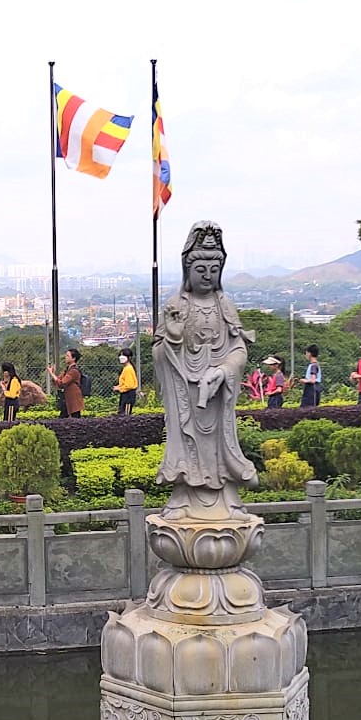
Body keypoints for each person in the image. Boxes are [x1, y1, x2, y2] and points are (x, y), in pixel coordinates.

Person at [154, 219, 259, 518]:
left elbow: (239, 348)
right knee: (186, 441)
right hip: (186, 394)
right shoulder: (178, 305)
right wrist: (173, 337)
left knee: (218, 444)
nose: (207, 276)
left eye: (214, 270)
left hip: (217, 394)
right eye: (201, 270)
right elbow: (159, 354)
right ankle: (184, 499)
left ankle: (227, 498)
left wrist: (224, 370)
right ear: (188, 270)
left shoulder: (225, 305)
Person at [47, 348, 84, 418]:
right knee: (65, 417)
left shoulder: (74, 371)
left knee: (74, 417)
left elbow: (62, 383)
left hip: (73, 398)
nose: (65, 357)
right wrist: (53, 373)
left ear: (74, 358)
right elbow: (57, 381)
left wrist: (51, 373)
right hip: (67, 398)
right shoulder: (67, 370)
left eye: (67, 356)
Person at [116, 348, 140, 415]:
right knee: (122, 413)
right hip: (125, 394)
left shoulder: (128, 369)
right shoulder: (126, 368)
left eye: (123, 355)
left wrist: (119, 388)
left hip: (128, 395)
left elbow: (129, 385)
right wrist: (119, 386)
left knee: (126, 415)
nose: (121, 357)